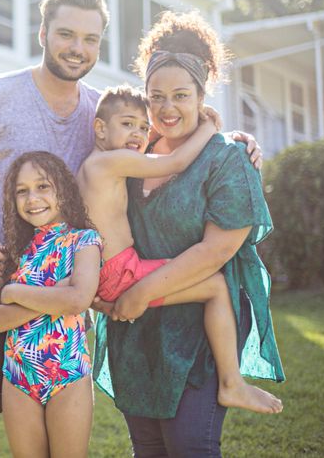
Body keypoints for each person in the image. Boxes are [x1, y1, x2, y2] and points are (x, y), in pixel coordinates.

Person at [0, 0, 262, 458]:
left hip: (68, 298)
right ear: (42, 33)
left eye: (90, 38)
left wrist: (233, 138)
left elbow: (164, 136)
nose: (77, 48)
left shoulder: (105, 112)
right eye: (65, 34)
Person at [92, 11, 285, 457]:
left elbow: (217, 250)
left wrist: (140, 292)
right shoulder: (132, 153)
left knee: (187, 446)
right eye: (155, 96)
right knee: (148, 447)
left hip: (196, 330)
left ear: (202, 94)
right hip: (136, 330)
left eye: (181, 95)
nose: (166, 108)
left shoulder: (228, 160)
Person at [78, 85, 283, 416]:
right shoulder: (110, 163)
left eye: (144, 127)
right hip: (120, 273)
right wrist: (209, 128)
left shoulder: (91, 165)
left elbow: (164, 145)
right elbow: (176, 160)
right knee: (216, 286)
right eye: (128, 124)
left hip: (106, 272)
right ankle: (232, 383)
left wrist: (230, 136)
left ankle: (231, 382)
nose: (139, 133)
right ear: (100, 128)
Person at [0, 151, 101, 458]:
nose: (32, 198)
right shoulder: (11, 253)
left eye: (43, 186)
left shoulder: (84, 241)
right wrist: (53, 297)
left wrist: (14, 292)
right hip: (18, 377)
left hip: (68, 373)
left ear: (63, 188)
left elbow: (77, 300)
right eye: (22, 191)